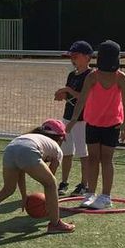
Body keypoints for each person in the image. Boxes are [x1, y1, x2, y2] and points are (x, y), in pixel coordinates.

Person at [0, 119, 76, 234]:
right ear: (60, 138)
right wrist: (47, 202)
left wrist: (25, 196)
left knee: (7, 189)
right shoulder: (57, 149)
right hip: (28, 150)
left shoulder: (31, 137)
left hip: (10, 149)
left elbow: (21, 171)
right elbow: (49, 180)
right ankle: (55, 224)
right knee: (51, 184)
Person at [66, 39, 125, 210]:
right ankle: (90, 194)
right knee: (93, 158)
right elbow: (81, 101)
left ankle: (105, 196)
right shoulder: (92, 76)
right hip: (93, 123)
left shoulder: (121, 78)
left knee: (106, 159)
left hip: (112, 125)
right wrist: (72, 121)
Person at [54, 40, 94, 197]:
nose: (73, 59)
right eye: (72, 56)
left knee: (83, 152)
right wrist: (62, 94)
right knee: (67, 151)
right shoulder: (72, 74)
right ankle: (64, 182)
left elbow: (85, 97)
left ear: (87, 57)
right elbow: (70, 95)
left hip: (82, 119)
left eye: (76, 56)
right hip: (67, 117)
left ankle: (85, 183)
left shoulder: (90, 75)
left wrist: (67, 90)